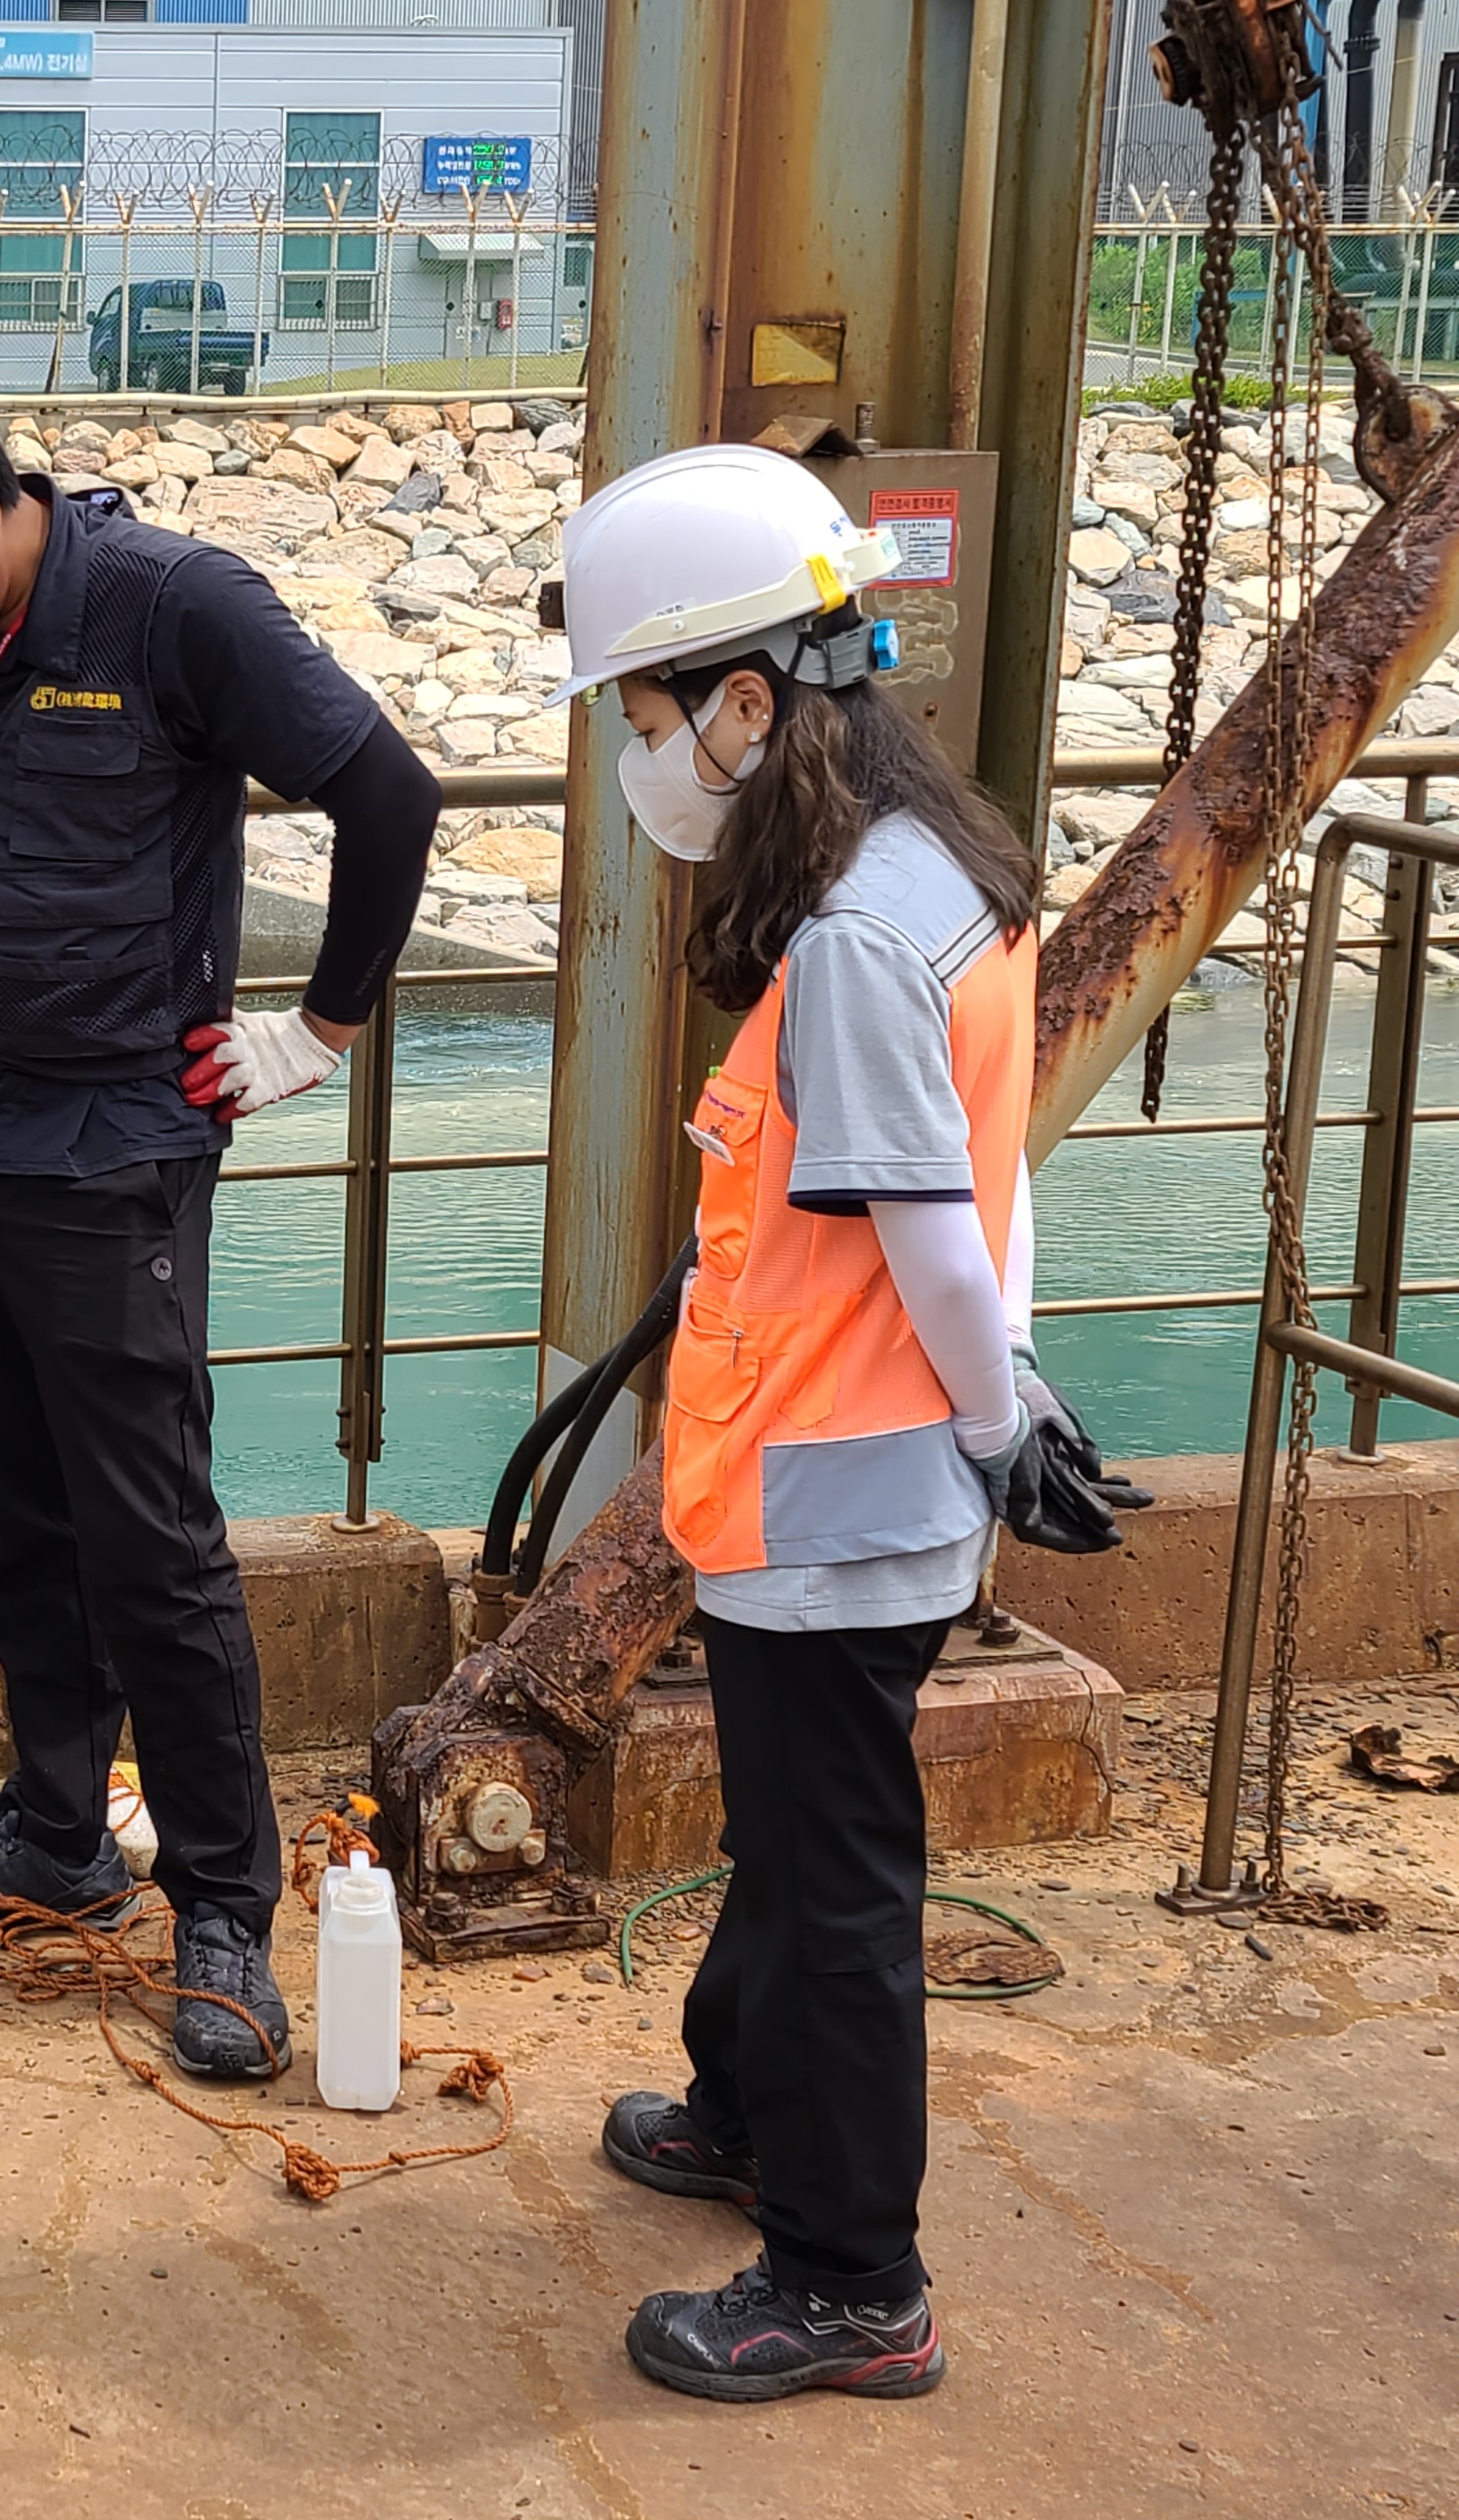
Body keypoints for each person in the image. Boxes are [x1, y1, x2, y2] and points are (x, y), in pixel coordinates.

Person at [0, 370, 443, 2079]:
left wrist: (323, 1027)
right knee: (14, 1512)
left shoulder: (172, 607)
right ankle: (58, 1834)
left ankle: (223, 1910)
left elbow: (390, 793)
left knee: (150, 1537)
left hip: (110, 1154)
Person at [551, 445, 1136, 2401]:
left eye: (647, 719)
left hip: (836, 1490)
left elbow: (929, 1230)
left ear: (743, 701)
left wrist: (992, 1416)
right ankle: (741, 2109)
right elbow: (994, 1180)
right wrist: (1007, 1391)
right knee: (793, 1839)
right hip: (841, 1475)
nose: (642, 759)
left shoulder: (854, 944)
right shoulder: (946, 869)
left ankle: (848, 2278)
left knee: (835, 1886)